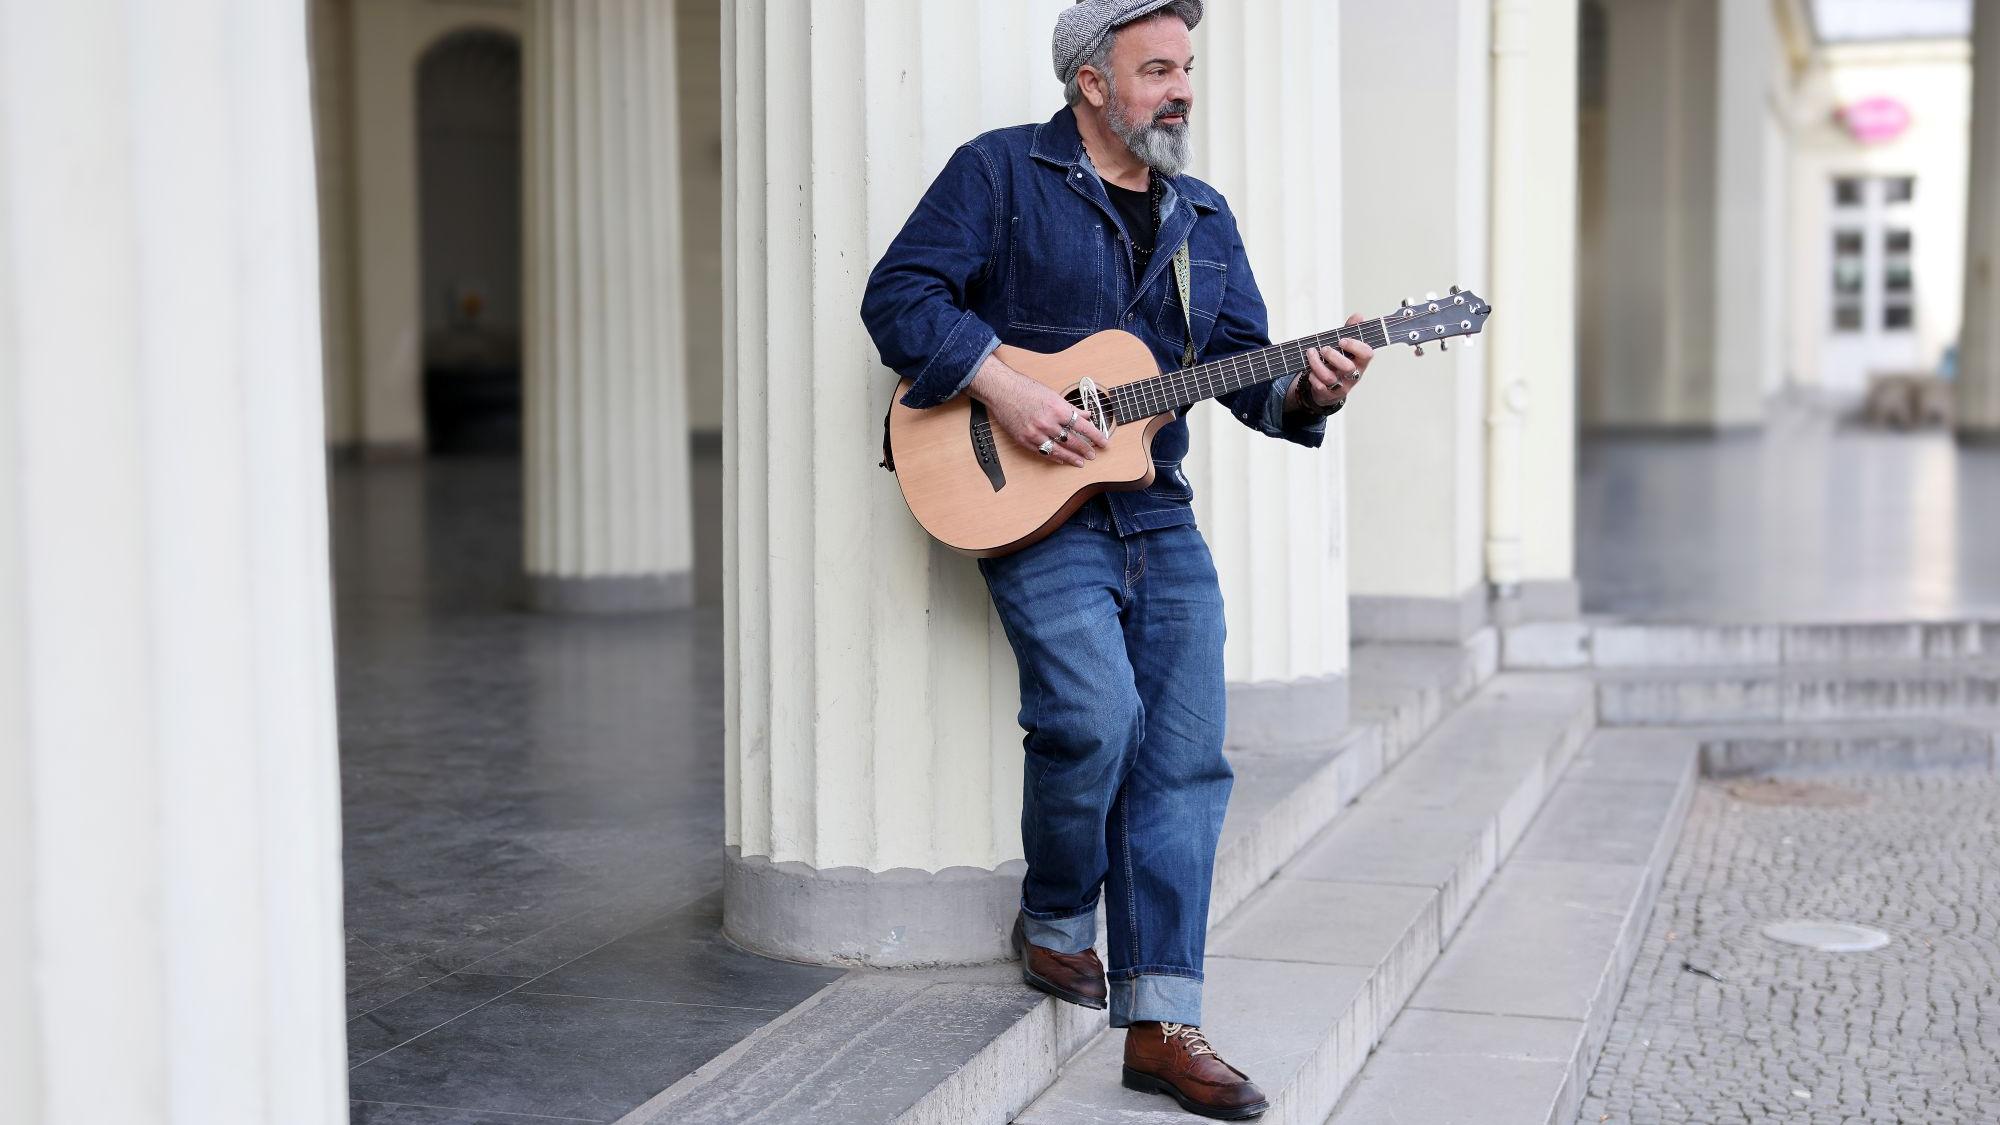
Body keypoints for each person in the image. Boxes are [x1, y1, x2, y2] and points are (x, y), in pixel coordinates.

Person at [860, 1, 1371, 1118]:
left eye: (1186, 66)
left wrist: (1306, 388)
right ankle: (1053, 918)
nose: (1181, 87)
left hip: (1154, 511)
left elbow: (1243, 372)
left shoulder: (1201, 214)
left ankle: (1161, 1024)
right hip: (1028, 507)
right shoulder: (997, 172)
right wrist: (1008, 389)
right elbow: (897, 297)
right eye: (1155, 68)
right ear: (1089, 83)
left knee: (1184, 757)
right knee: (1095, 719)